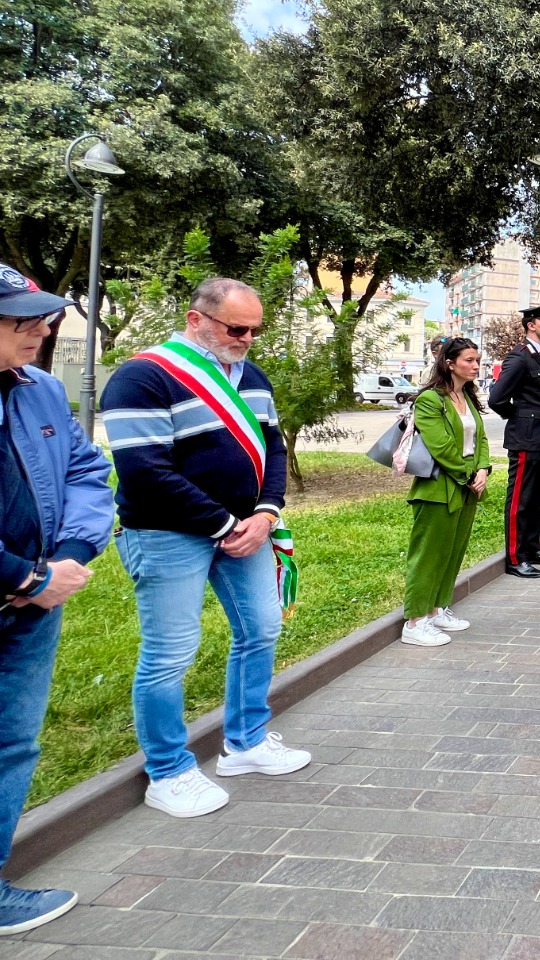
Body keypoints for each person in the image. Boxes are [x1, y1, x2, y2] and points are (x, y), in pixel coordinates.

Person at [101, 277, 311, 819]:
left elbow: (273, 448)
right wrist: (223, 524)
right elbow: (144, 471)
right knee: (169, 653)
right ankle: (168, 771)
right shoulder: (141, 377)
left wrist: (267, 513)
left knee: (261, 628)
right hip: (168, 534)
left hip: (248, 530)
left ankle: (245, 742)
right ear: (197, 320)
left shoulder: (254, 375)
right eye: (236, 328)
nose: (246, 338)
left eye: (254, 330)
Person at [0, 265, 111, 935]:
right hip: (25, 588)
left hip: (33, 608)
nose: (42, 328)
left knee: (13, 743)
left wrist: (71, 555)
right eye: (21, 318)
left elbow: (86, 472)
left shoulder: (40, 389)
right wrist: (24, 576)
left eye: (44, 315)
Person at [399, 338, 491, 647]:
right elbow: (440, 447)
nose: (475, 365)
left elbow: (481, 441)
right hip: (438, 487)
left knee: (452, 552)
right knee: (428, 555)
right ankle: (414, 621)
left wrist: (483, 470)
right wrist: (469, 474)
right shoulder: (430, 400)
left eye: (477, 359)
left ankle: (437, 609)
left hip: (466, 488)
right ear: (449, 363)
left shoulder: (467, 397)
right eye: (469, 359)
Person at [488, 303, 540, 578]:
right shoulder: (519, 358)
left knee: (536, 497)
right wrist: (522, 419)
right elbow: (496, 399)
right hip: (526, 439)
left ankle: (532, 548)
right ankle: (515, 557)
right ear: (531, 325)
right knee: (519, 499)